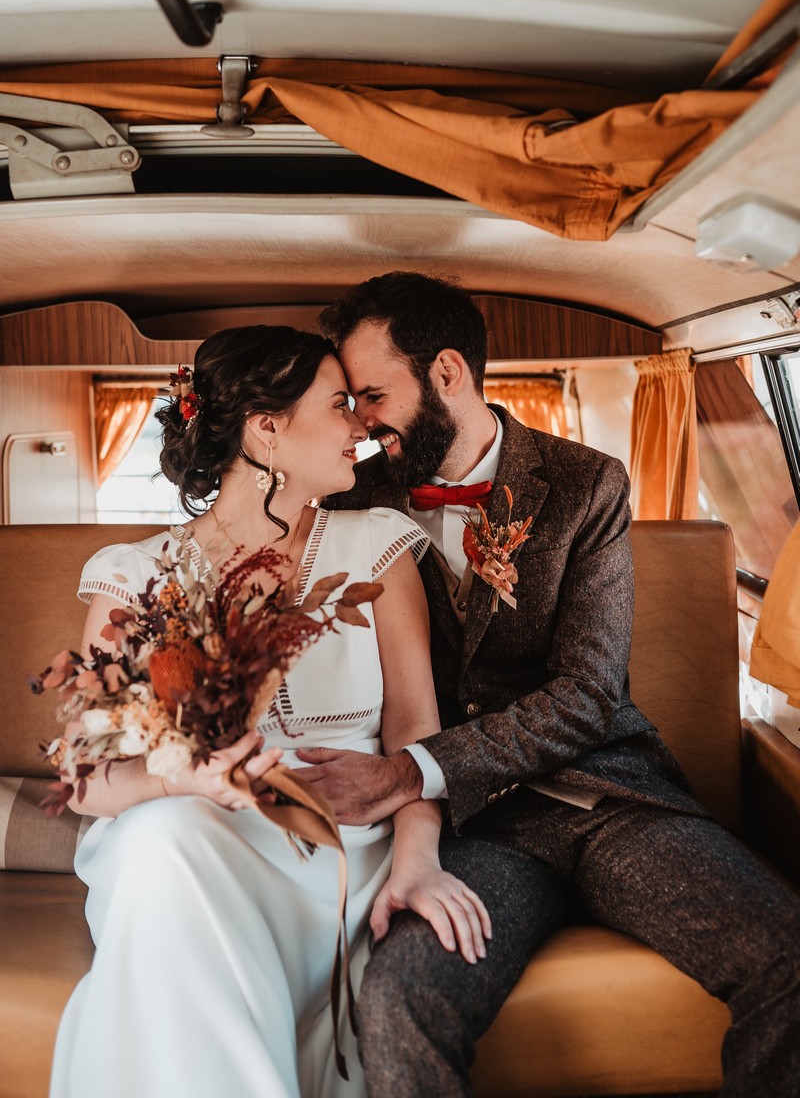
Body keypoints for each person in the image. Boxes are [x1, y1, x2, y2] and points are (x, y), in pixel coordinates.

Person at [298, 271, 800, 1098]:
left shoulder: (586, 483)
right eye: (349, 402)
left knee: (789, 955)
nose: (360, 422)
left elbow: (588, 695)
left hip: (610, 802)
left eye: (374, 395)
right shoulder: (353, 497)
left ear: (448, 373)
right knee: (396, 1002)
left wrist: (407, 770)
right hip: (475, 835)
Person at [49, 324, 490, 1098]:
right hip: (186, 827)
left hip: (345, 842)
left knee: (172, 844)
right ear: (267, 429)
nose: (361, 426)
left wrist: (419, 859)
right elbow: (86, 777)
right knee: (164, 840)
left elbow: (417, 731)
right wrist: (183, 777)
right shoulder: (137, 577)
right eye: (340, 405)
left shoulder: (376, 546)